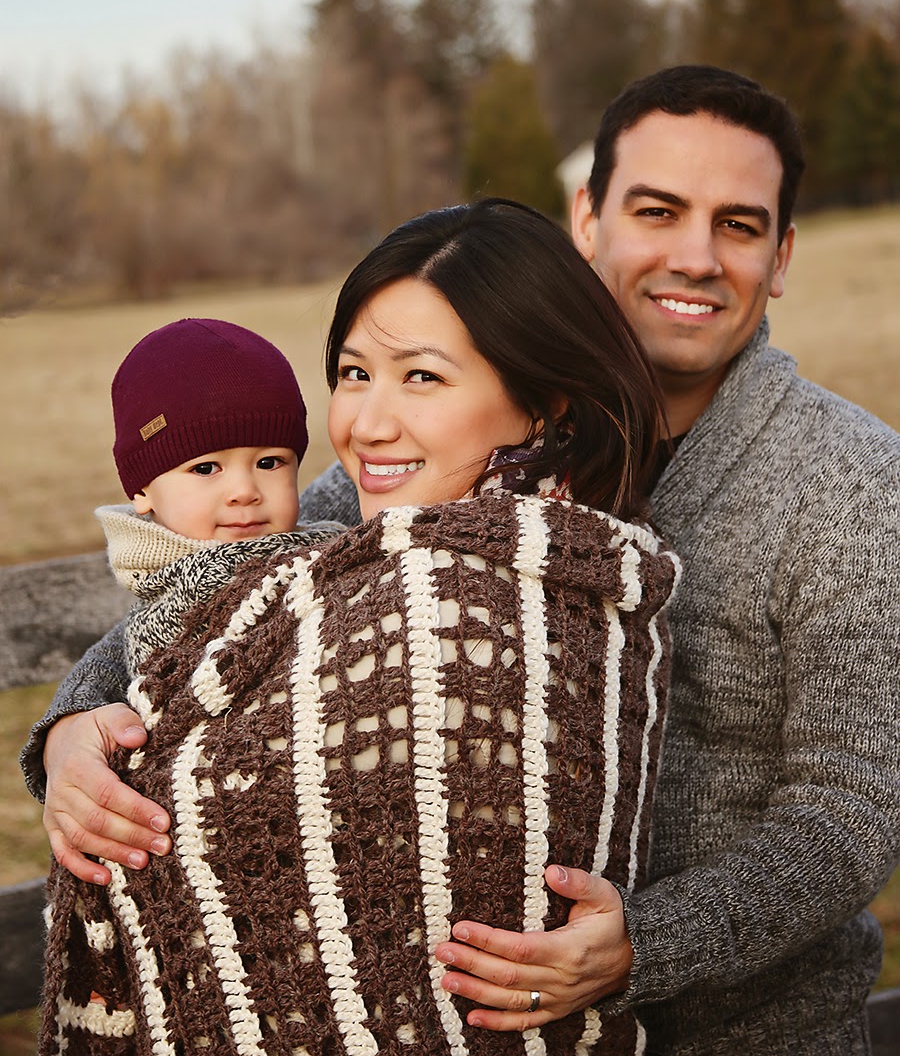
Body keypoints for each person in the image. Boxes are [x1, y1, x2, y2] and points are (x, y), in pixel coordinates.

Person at [22, 65, 899, 1052]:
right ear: (588, 217)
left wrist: (641, 946)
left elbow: (848, 812)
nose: (694, 256)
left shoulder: (849, 481)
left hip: (743, 1033)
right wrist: (68, 732)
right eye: (657, 211)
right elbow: (221, 588)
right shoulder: (439, 471)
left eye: (737, 225)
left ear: (782, 255)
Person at [35, 200, 680, 1056]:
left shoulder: (512, 583)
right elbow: (168, 628)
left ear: (539, 402)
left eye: (421, 377)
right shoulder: (372, 517)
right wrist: (69, 733)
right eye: (352, 372)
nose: (366, 426)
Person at [97, 316, 344, 680]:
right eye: (205, 468)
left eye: (269, 462)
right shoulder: (168, 623)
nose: (244, 491)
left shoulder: (337, 552)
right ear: (141, 490)